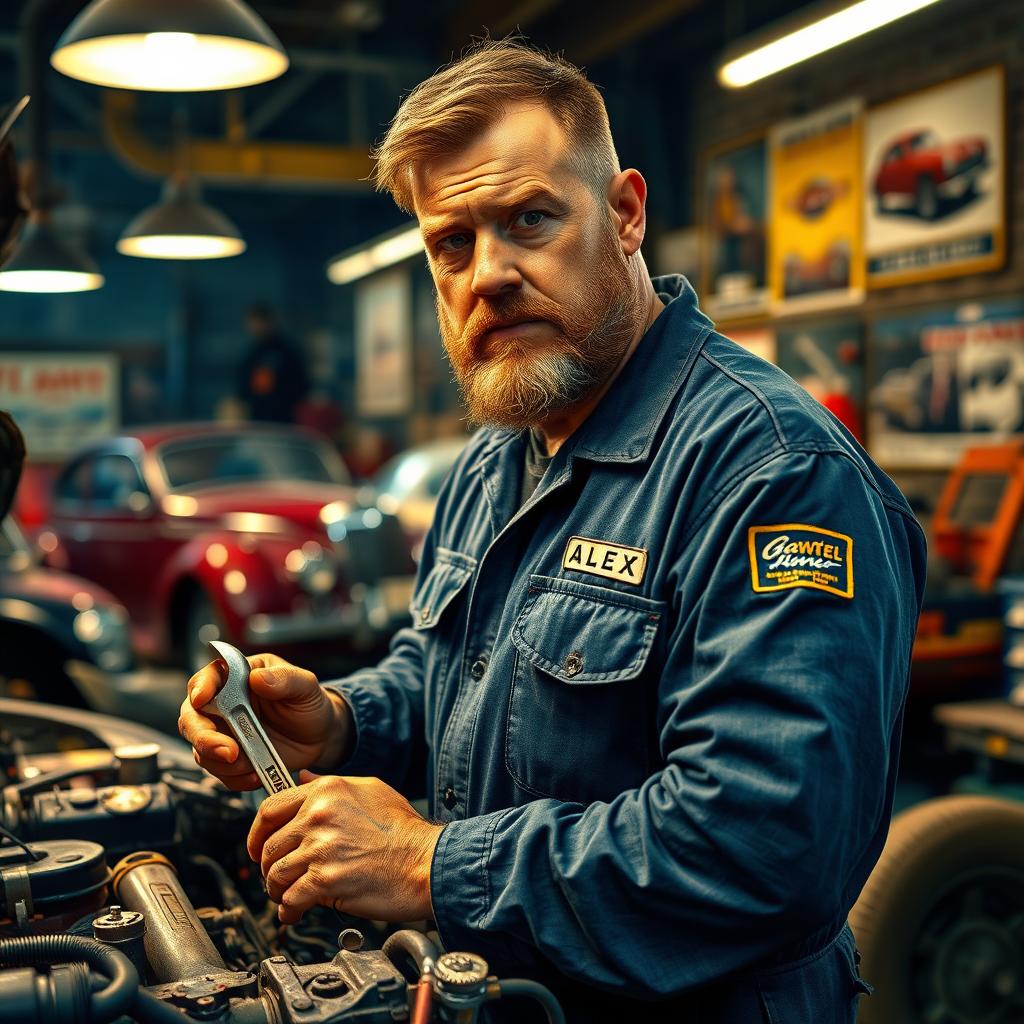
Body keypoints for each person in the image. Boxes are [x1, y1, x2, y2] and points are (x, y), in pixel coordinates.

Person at [180, 40, 926, 1022]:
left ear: (624, 213)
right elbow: (455, 674)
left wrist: (428, 861)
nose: (488, 274)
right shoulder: (498, 455)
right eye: (452, 243)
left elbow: (769, 844)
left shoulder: (771, 472)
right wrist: (344, 719)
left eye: (529, 219)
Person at [236, 304, 309, 423]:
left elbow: (301, 384)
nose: (255, 327)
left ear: (269, 322)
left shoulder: (286, 351)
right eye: (252, 323)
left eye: (258, 322)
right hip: (255, 416)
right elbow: (242, 387)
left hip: (283, 416)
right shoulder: (251, 354)